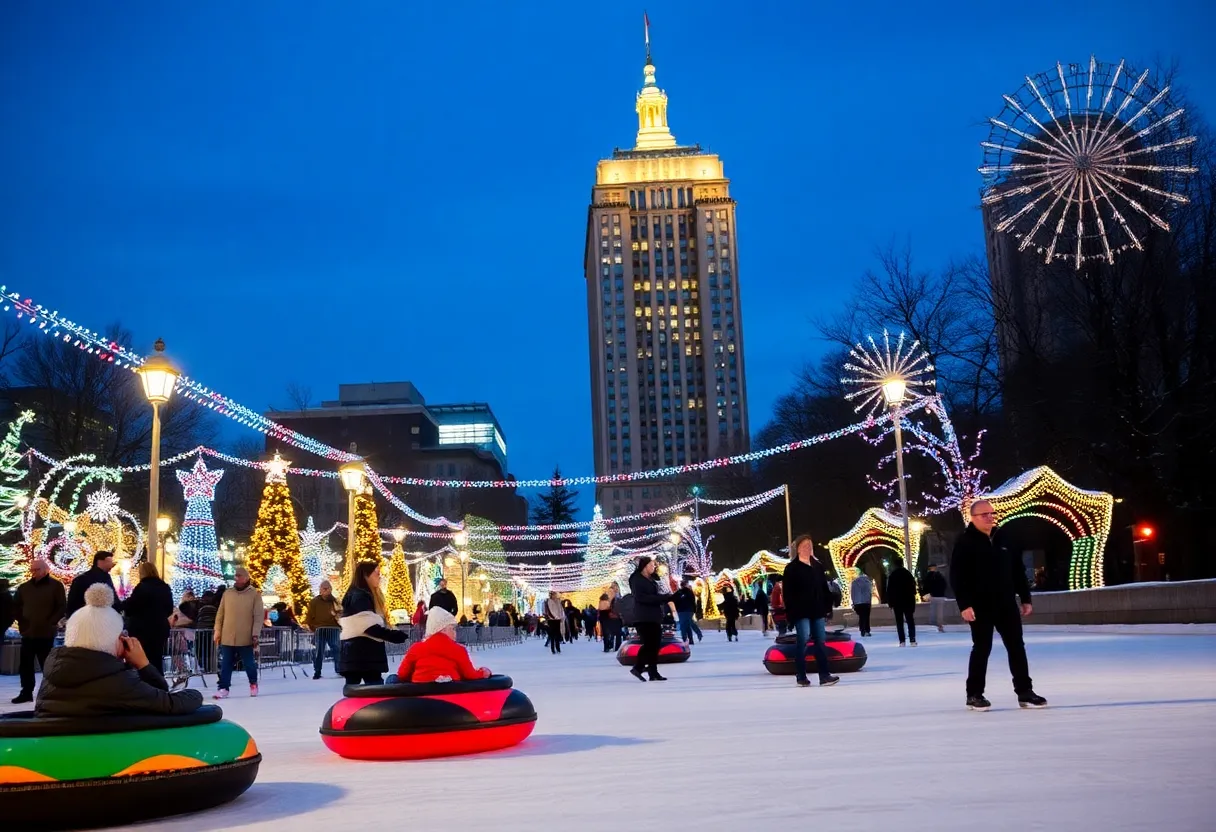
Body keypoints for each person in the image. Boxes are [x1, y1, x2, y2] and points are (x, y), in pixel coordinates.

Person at [35, 583, 203, 718]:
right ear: (116, 640)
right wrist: (143, 665)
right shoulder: (121, 684)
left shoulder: (52, 679)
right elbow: (169, 702)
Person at [951, 500, 1046, 711]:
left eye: (991, 513)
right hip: (979, 606)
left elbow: (1017, 571)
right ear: (973, 518)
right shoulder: (965, 542)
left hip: (1006, 604)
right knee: (982, 648)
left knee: (1016, 647)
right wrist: (964, 605)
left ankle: (1025, 692)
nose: (989, 517)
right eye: (983, 514)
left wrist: (1025, 598)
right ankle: (974, 694)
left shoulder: (1005, 539)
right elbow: (958, 576)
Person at [782, 534, 840, 688]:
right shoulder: (791, 569)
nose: (808, 548)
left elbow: (823, 589)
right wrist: (790, 614)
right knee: (803, 641)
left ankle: (824, 675)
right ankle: (801, 675)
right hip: (801, 612)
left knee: (820, 642)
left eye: (810, 545)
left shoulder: (817, 566)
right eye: (804, 545)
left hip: (817, 610)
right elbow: (787, 593)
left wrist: (828, 606)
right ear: (798, 549)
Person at [338, 561, 407, 686]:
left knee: (354, 691)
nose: (379, 577)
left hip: (355, 654)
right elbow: (366, 625)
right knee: (374, 692)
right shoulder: (360, 596)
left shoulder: (356, 594)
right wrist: (393, 636)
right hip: (364, 654)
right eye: (376, 574)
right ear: (366, 575)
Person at [11, 559, 66, 704]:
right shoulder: (24, 588)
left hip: (46, 633)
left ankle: (51, 692)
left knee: (47, 665)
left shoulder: (55, 586)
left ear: (45, 570)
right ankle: (26, 692)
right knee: (26, 665)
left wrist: (52, 622)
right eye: (32, 570)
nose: (33, 572)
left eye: (36, 569)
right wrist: (22, 622)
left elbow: (61, 606)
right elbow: (15, 606)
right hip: (28, 632)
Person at [395, 607, 491, 683]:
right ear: (443, 630)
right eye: (452, 629)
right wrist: (483, 672)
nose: (455, 633)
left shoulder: (416, 648)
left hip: (420, 698)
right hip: (450, 698)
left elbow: (402, 674)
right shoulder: (458, 650)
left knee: (392, 679)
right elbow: (470, 675)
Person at [213, 567, 263, 699]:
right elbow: (220, 614)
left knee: (249, 663)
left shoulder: (254, 595)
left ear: (246, 578)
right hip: (227, 635)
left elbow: (258, 616)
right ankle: (223, 687)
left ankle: (253, 683)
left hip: (245, 636)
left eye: (240, 576)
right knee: (226, 664)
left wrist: (255, 634)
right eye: (236, 576)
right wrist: (217, 630)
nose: (237, 578)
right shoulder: (228, 594)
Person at [627, 556, 675, 681]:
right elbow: (641, 597)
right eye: (652, 565)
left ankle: (653, 672)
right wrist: (661, 598)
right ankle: (638, 667)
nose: (654, 567)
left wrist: (665, 597)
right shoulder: (637, 579)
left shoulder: (651, 579)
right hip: (643, 617)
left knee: (655, 645)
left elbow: (654, 595)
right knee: (649, 644)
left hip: (653, 616)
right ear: (645, 566)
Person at [123, 561, 175, 675]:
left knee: (142, 660)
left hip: (142, 629)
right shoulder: (165, 587)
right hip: (160, 628)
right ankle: (159, 683)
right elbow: (169, 609)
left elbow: (131, 607)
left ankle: (145, 685)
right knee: (156, 658)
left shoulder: (142, 588)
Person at [65, 551, 122, 618]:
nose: (112, 565)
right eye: (109, 562)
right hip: (89, 618)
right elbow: (73, 604)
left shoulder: (106, 576)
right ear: (100, 561)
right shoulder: (82, 579)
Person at [304, 579, 342, 680]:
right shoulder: (314, 602)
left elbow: (341, 614)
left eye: (327, 588)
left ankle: (339, 670)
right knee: (319, 650)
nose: (325, 590)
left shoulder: (336, 601)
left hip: (333, 628)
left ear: (331, 589)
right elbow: (310, 616)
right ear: (320, 590)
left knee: (336, 649)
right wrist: (313, 627)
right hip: (320, 629)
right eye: (323, 588)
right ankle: (317, 671)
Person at [886, 557, 918, 646]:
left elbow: (889, 590)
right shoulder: (908, 574)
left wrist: (890, 603)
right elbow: (913, 589)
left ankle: (902, 641)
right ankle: (912, 640)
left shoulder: (893, 575)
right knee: (910, 620)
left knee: (899, 622)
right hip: (908, 601)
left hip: (897, 602)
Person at [672, 579, 703, 644]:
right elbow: (693, 602)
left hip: (684, 611)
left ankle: (685, 638)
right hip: (686, 610)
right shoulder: (685, 592)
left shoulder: (682, 592)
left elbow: (674, 600)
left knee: (684, 624)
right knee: (688, 624)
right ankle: (693, 637)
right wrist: (694, 610)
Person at [924, 564, 949, 632]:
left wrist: (927, 593)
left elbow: (926, 585)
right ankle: (939, 624)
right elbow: (944, 584)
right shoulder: (940, 576)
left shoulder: (929, 576)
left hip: (933, 595)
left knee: (933, 610)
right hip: (940, 595)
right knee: (939, 611)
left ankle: (933, 624)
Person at [850, 572, 874, 637]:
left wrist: (854, 602)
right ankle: (867, 630)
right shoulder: (868, 582)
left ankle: (862, 630)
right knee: (866, 617)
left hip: (858, 603)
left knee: (861, 617)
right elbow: (870, 592)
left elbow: (853, 593)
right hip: (866, 602)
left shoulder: (854, 582)